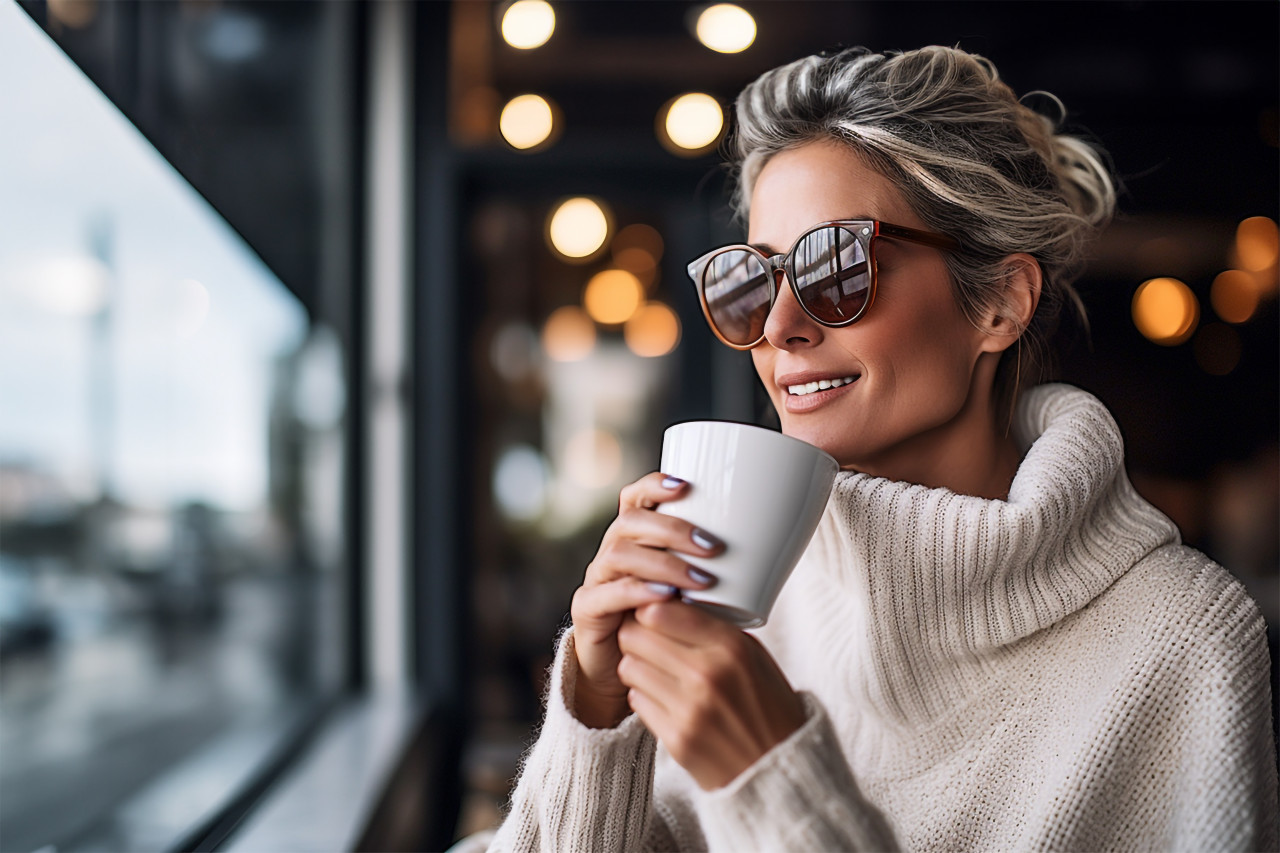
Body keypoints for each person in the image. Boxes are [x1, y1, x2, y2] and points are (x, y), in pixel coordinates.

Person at [484, 45, 1279, 851]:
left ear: (1000, 304)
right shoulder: (735, 603)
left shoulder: (1183, 643)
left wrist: (773, 778)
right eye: (749, 281)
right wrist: (595, 707)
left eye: (838, 266)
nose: (780, 327)